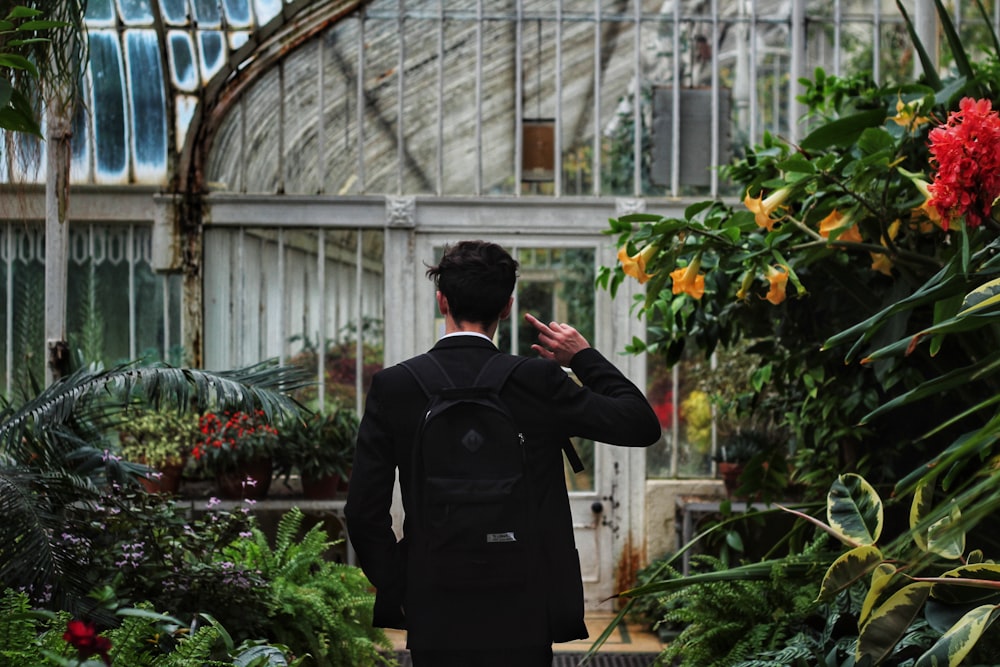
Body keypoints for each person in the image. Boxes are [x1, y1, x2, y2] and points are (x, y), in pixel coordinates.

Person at [344, 240, 661, 666]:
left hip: (435, 600)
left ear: (442, 300)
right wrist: (583, 357)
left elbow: (364, 511)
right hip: (524, 600)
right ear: (508, 307)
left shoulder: (395, 386)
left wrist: (400, 584)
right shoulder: (537, 381)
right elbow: (640, 424)